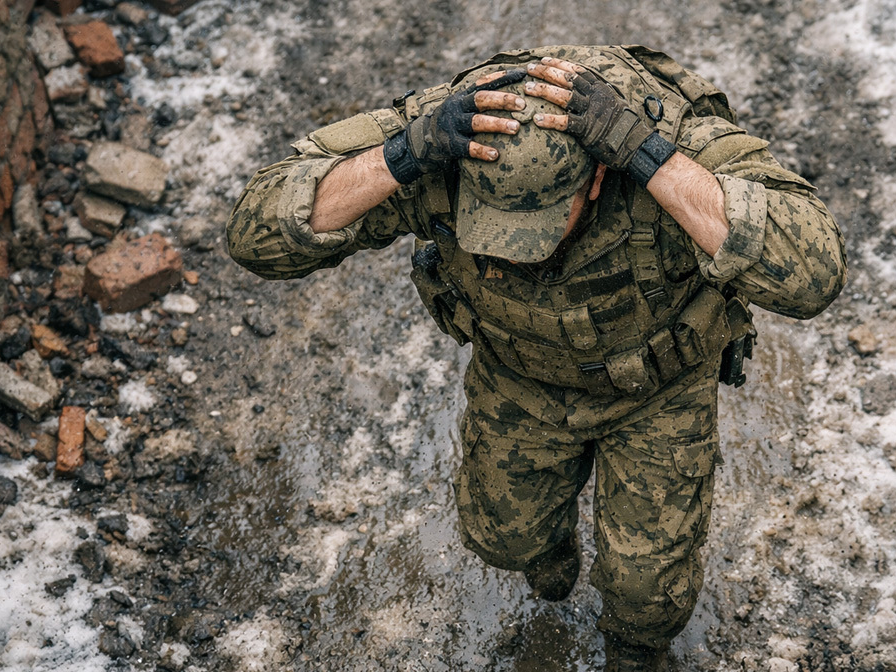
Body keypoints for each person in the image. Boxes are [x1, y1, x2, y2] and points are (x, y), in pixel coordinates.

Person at [226, 45, 846, 672]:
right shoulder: (450, 138)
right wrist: (403, 154)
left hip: (655, 390)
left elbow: (813, 276)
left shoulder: (664, 144)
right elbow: (255, 233)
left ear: (597, 178)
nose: (512, 256)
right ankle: (551, 552)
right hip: (520, 379)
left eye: (538, 226)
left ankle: (636, 652)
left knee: (646, 593)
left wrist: (649, 157)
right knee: (501, 538)